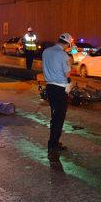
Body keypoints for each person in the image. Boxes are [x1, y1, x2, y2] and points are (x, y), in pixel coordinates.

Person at [42, 33, 73, 161]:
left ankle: (53, 142)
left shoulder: (46, 51)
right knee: (59, 118)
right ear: (67, 44)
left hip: (50, 87)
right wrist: (70, 63)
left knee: (54, 115)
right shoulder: (63, 55)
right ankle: (53, 145)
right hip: (60, 88)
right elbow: (67, 73)